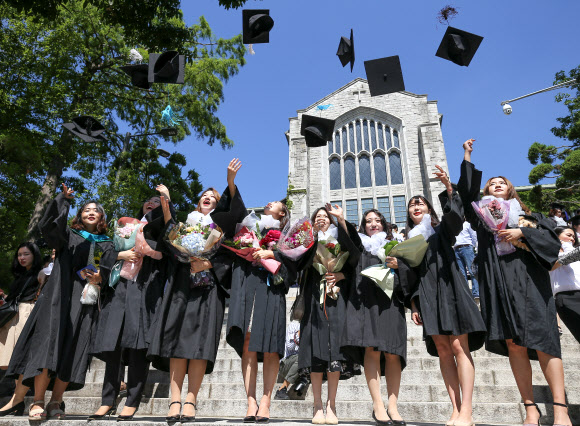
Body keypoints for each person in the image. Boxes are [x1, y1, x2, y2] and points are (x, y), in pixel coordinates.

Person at [458, 139, 572, 426]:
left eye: (501, 182)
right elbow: (466, 194)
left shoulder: (530, 217)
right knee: (514, 344)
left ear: (510, 189)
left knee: (545, 341)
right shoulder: (481, 219)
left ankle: (561, 410)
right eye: (492, 183)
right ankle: (530, 409)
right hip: (498, 280)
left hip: (529, 279)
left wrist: (522, 234)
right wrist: (467, 157)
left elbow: (551, 245)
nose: (496, 184)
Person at [6, 184, 117, 421]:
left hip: (85, 303)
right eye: (86, 208)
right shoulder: (69, 236)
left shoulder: (108, 244)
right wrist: (62, 200)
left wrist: (100, 278)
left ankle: (56, 401)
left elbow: (108, 272)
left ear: (101, 217)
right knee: (48, 345)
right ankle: (37, 401)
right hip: (59, 297)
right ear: (80, 214)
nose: (90, 211)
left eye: (95, 210)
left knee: (73, 350)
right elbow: (48, 227)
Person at [210, 158, 299, 423]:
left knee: (271, 346)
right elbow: (233, 210)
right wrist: (230, 182)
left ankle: (265, 401)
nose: (270, 203)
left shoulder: (289, 235)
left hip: (271, 287)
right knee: (248, 343)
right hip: (247, 282)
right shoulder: (249, 226)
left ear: (283, 213)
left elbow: (296, 261)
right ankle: (250, 401)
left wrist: (271, 252)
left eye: (276, 204)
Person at [408, 165, 486, 426]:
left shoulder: (441, 230)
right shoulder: (408, 240)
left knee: (457, 346)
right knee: (442, 349)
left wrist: (449, 189)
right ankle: (454, 409)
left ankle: (467, 410)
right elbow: (410, 276)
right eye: (411, 205)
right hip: (427, 292)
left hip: (450, 285)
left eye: (420, 203)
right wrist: (413, 303)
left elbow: (455, 219)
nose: (416, 206)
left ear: (429, 209)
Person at [147, 186, 232, 423]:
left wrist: (209, 265)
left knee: (199, 344)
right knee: (176, 341)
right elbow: (169, 236)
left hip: (208, 289)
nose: (207, 198)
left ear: (218, 205)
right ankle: (175, 400)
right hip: (182, 286)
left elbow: (229, 257)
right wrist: (167, 204)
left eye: (213, 198)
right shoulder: (185, 225)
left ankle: (191, 400)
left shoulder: (221, 230)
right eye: (204, 195)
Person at [89, 188, 171, 421]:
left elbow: (169, 251)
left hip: (145, 290)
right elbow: (105, 255)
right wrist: (119, 255)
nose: (151, 203)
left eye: (157, 202)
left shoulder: (162, 231)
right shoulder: (123, 229)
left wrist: (150, 249)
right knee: (113, 346)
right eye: (149, 201)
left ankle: (132, 400)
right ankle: (107, 399)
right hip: (120, 289)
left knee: (138, 347)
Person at [341, 208, 414, 426]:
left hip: (390, 301)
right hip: (366, 301)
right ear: (363, 225)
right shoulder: (359, 247)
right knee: (371, 349)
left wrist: (398, 265)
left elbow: (410, 272)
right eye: (368, 221)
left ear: (384, 223)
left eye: (377, 220)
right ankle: (378, 405)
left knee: (392, 352)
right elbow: (347, 251)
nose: (373, 223)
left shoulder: (396, 244)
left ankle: (393, 405)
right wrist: (340, 219)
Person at [297, 205, 359, 424]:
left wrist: (341, 274)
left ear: (331, 222)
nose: (321, 219)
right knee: (315, 349)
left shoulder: (340, 239)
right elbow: (296, 263)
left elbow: (355, 259)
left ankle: (332, 405)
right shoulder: (307, 241)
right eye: (318, 217)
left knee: (334, 351)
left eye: (325, 216)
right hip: (314, 298)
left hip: (336, 298)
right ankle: (317, 405)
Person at [0, 242, 42, 417]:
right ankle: (15, 401)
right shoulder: (20, 275)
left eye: (26, 254)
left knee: (20, 358)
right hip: (14, 317)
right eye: (19, 255)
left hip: (27, 314)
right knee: (8, 360)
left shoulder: (41, 272)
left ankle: (17, 401)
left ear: (34, 255)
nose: (22, 258)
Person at [550, 226, 580, 344]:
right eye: (568, 235)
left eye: (573, 236)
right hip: (567, 298)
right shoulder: (550, 252)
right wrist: (566, 247)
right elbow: (555, 264)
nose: (572, 238)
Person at [274, 319, 301, 400]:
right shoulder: (295, 324)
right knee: (301, 359)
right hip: (286, 363)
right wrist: (300, 333)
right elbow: (290, 346)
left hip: (303, 365)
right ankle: (282, 389)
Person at [453, 221, 479, 299]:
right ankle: (467, 295)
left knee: (472, 271)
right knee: (462, 273)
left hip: (467, 247)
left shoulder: (467, 224)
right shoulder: (454, 224)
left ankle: (476, 293)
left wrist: (473, 246)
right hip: (456, 249)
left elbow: (474, 235)